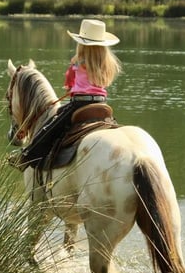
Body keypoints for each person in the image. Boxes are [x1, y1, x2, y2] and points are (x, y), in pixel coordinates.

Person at [11, 19, 121, 171]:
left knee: (49, 128)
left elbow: (69, 83)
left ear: (81, 44)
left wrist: (72, 86)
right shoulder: (106, 63)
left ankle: (26, 157)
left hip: (80, 103)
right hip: (102, 103)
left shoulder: (77, 62)